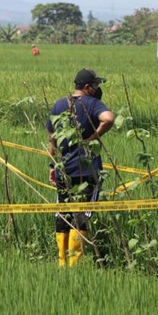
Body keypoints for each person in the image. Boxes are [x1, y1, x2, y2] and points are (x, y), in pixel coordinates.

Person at [46, 69, 115, 267]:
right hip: (87, 170)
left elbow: (51, 136)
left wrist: (54, 164)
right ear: (87, 87)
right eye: (95, 85)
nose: (97, 88)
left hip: (63, 168)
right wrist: (93, 137)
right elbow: (109, 119)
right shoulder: (93, 104)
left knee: (63, 211)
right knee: (82, 213)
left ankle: (62, 262)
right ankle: (75, 263)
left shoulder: (59, 104)